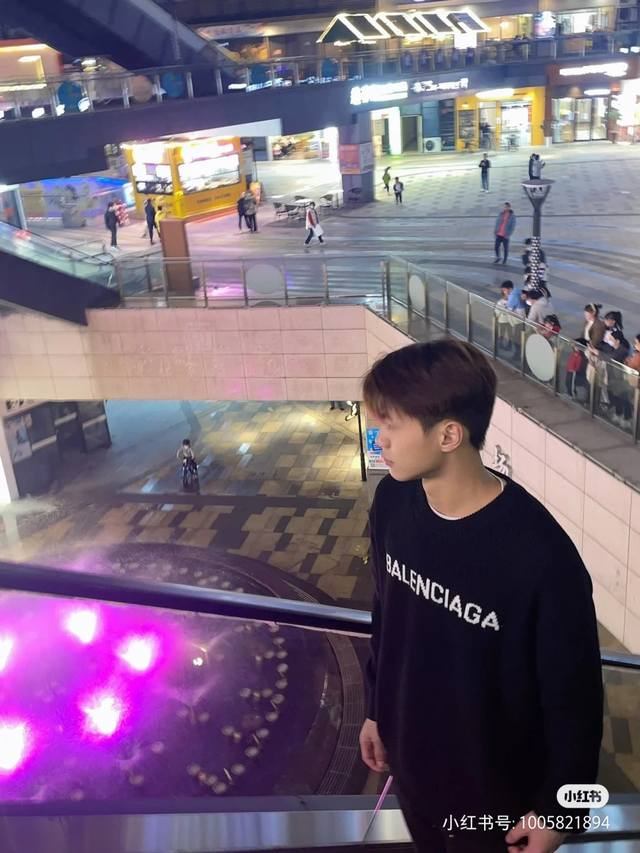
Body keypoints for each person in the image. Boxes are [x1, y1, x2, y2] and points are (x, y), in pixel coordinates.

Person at [360, 340, 603, 853]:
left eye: (391, 425)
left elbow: (576, 703)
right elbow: (386, 615)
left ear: (449, 435)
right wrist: (376, 709)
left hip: (498, 801)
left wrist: (562, 813)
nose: (378, 439)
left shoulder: (541, 557)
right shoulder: (393, 501)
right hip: (412, 771)